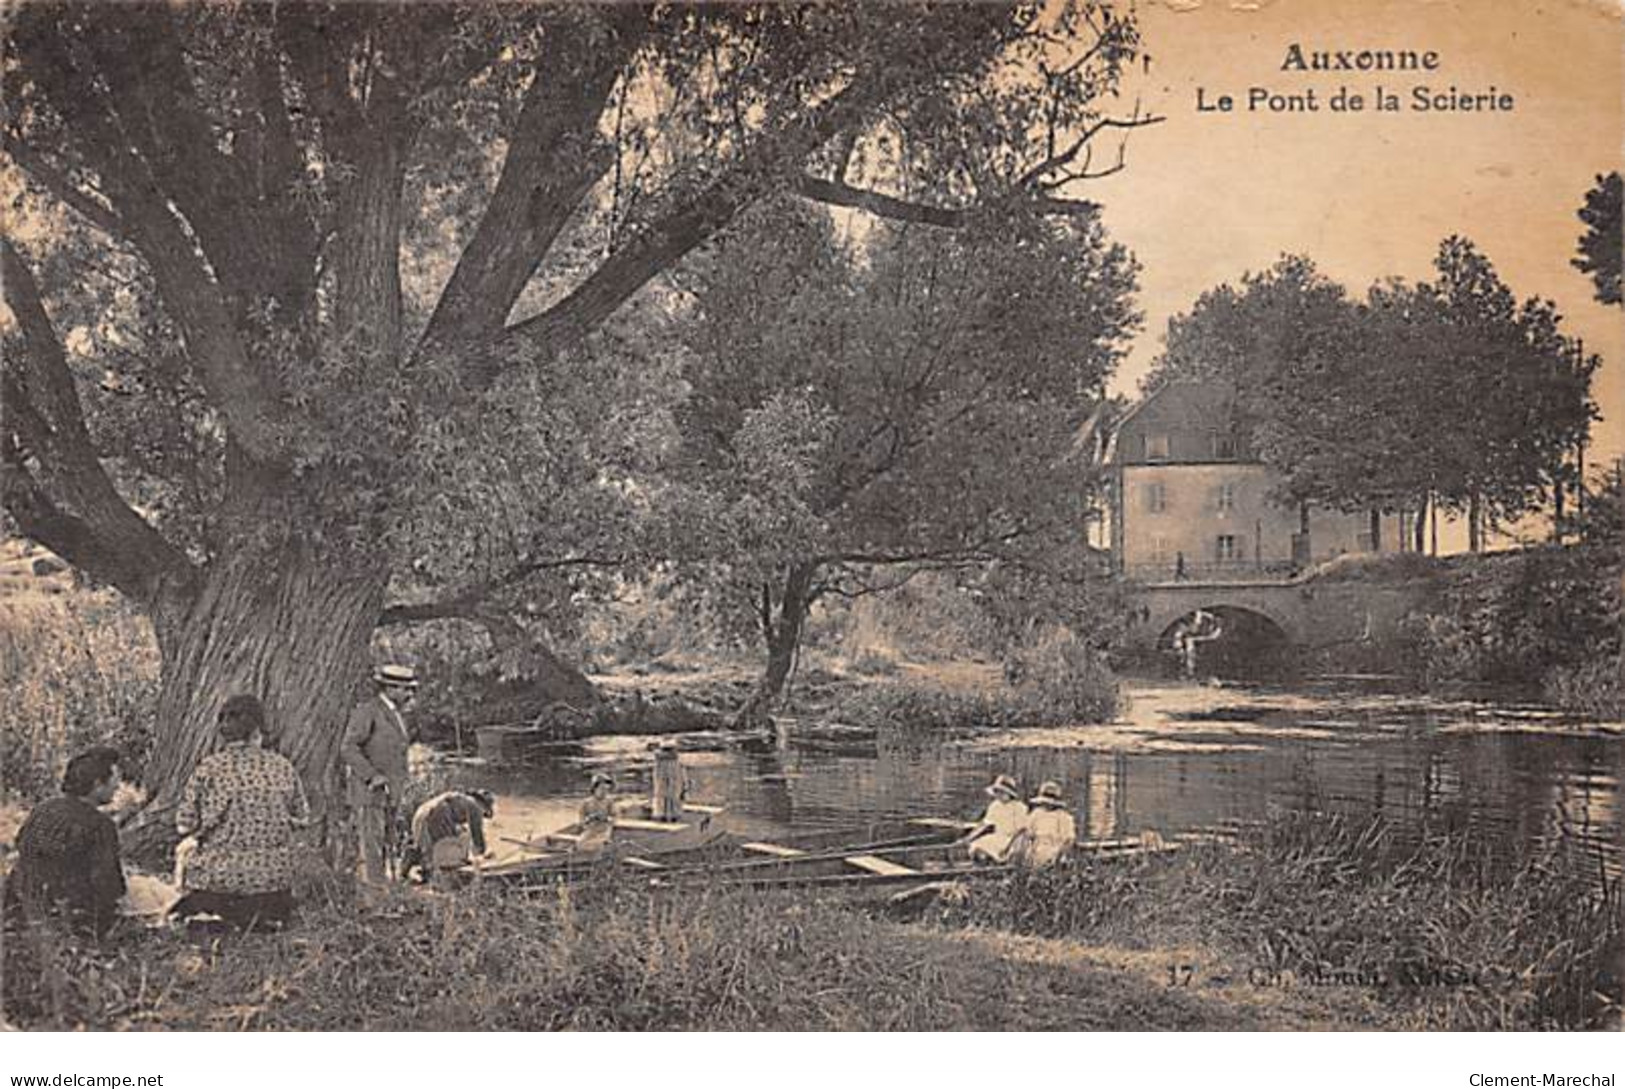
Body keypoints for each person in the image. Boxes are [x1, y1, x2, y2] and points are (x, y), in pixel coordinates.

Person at [172, 695, 309, 930]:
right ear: (257, 730)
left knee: (187, 856)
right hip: (272, 883)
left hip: (218, 883)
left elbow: (184, 825)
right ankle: (264, 919)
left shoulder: (209, 768)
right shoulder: (282, 766)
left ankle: (212, 918)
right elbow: (302, 818)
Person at [4, 746, 125, 939]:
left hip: (20, 905)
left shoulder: (43, 809)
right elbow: (109, 886)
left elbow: (23, 846)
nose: (117, 787)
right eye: (114, 781)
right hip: (71, 918)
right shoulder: (101, 825)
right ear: (97, 784)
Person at [341, 664, 418, 882]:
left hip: (390, 793)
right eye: (405, 689)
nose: (409, 694)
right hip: (370, 792)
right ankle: (374, 896)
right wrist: (372, 775)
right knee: (371, 847)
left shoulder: (396, 715)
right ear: (390, 688)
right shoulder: (368, 712)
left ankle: (385, 890)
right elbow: (348, 748)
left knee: (387, 843)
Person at [409, 789, 494, 889]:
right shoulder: (475, 806)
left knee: (427, 847)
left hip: (421, 813)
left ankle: (413, 858)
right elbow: (477, 837)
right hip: (439, 813)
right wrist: (484, 855)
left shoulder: (460, 799)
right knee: (445, 850)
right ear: (484, 804)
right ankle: (437, 874)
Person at [960, 774, 1027, 863]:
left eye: (1002, 792)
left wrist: (1010, 846)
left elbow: (1021, 831)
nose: (998, 795)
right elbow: (984, 824)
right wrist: (968, 838)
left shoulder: (1019, 807)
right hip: (998, 837)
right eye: (997, 792)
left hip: (1013, 839)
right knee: (977, 846)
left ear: (1009, 793)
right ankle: (984, 863)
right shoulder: (995, 806)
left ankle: (998, 862)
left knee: (1003, 852)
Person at [1010, 781, 1078, 869]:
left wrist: (1061, 852)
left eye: (1049, 803)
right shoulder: (1036, 814)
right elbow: (1027, 831)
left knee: (1047, 856)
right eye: (1044, 802)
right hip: (1036, 845)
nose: (1047, 805)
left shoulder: (1063, 817)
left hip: (1053, 847)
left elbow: (1068, 839)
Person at [576, 772, 617, 854]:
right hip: (591, 829)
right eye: (601, 789)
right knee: (580, 843)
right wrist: (589, 819)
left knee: (600, 844)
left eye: (606, 790)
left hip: (604, 829)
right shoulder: (586, 803)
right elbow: (581, 821)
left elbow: (614, 817)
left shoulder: (609, 802)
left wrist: (607, 819)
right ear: (594, 789)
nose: (604, 792)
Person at [650, 742, 687, 822]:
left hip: (664, 789)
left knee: (664, 800)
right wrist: (684, 787)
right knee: (671, 801)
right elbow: (682, 776)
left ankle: (663, 817)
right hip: (671, 789)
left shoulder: (658, 762)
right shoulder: (676, 762)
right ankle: (670, 817)